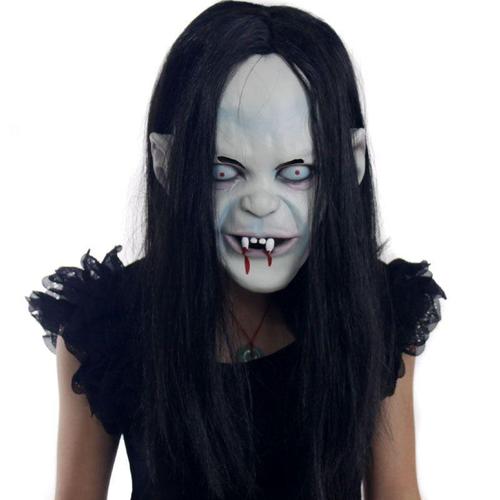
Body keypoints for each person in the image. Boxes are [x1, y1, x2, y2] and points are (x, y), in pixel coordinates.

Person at [26, 1, 447, 499]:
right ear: (167, 164)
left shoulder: (377, 309)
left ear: (349, 162)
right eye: (223, 171)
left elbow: (396, 492)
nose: (260, 203)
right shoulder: (108, 322)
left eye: (296, 172)